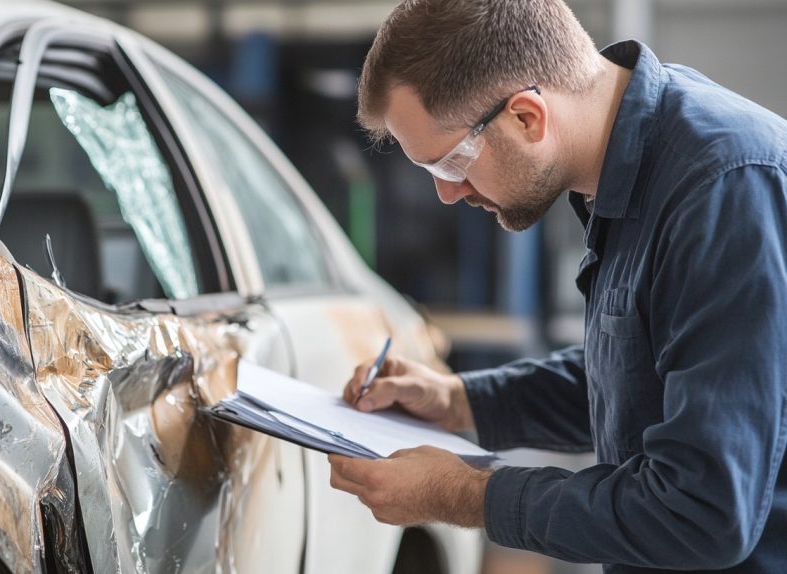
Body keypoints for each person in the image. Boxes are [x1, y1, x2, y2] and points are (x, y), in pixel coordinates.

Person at [326, 0, 787, 572]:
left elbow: (701, 511)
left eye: (450, 166)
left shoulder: (720, 189)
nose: (449, 194)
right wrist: (458, 401)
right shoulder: (634, 168)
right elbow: (641, 382)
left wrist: (463, 492)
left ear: (526, 116)